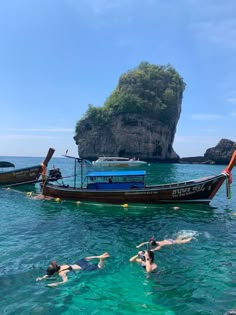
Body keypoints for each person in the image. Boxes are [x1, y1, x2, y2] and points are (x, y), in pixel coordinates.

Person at [36, 252, 110, 287]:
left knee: (100, 268)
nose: (56, 263)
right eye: (55, 264)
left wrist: (57, 283)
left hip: (83, 268)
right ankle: (99, 256)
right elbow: (49, 273)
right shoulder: (62, 266)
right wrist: (42, 278)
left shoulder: (61, 273)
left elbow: (65, 281)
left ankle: (102, 260)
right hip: (79, 263)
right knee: (86, 258)